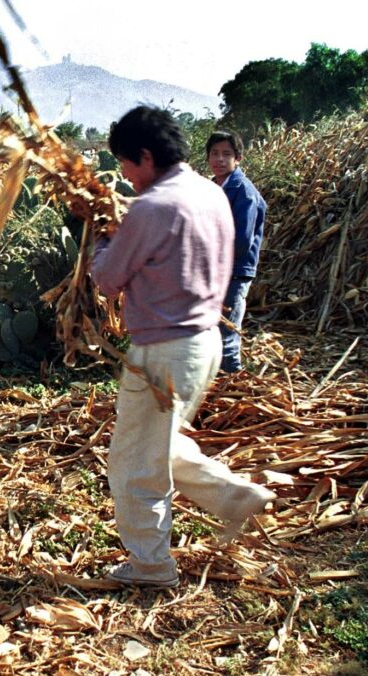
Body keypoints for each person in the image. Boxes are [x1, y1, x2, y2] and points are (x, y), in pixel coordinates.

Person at [89, 106, 275, 588]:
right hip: (205, 343)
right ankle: (237, 498)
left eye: (126, 164)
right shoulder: (210, 194)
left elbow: (108, 280)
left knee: (133, 463)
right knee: (159, 444)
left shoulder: (153, 207)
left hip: (163, 355)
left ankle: (151, 565)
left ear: (146, 157)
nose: (125, 175)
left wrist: (99, 235)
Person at [206, 130, 266, 373]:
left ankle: (232, 385)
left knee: (227, 330)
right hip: (217, 268)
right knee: (213, 327)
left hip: (235, 269)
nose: (219, 159)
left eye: (227, 154)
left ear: (238, 158)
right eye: (214, 154)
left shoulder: (243, 191)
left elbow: (241, 240)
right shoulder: (213, 187)